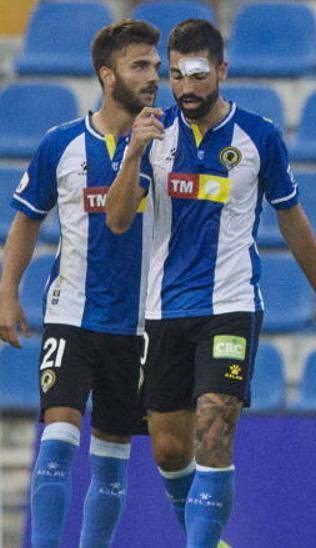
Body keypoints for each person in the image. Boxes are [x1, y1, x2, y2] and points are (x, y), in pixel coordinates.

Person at [104, 19, 316, 547]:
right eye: (177, 76)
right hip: (164, 310)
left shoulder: (259, 137)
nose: (187, 89)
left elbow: (293, 219)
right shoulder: (151, 133)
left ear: (221, 71)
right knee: (168, 450)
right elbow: (118, 220)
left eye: (197, 75)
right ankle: (211, 540)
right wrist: (132, 155)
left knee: (215, 430)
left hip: (231, 304)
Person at [0, 20, 159, 548]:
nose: (153, 76)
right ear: (107, 76)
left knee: (112, 457)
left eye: (156, 66)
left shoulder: (168, 145)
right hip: (71, 313)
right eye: (141, 66)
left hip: (136, 325)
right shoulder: (61, 144)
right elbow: (26, 219)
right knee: (59, 438)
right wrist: (6, 292)